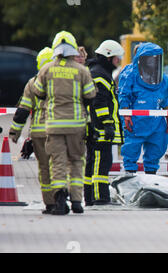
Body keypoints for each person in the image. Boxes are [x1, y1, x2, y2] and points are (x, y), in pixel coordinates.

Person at [31, 30, 97, 215]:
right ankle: (76, 201)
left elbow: (37, 92)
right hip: (76, 125)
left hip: (53, 124)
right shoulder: (81, 70)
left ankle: (60, 200)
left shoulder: (46, 69)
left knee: (57, 162)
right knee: (76, 161)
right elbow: (91, 95)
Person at [9, 47, 54, 214]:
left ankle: (50, 203)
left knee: (44, 169)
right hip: (59, 132)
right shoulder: (65, 82)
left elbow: (23, 111)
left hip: (39, 133)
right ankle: (62, 198)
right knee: (60, 166)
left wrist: (15, 133)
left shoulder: (33, 82)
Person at [118, 42, 168, 174]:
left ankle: (151, 181)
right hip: (135, 122)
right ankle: (130, 178)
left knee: (156, 149)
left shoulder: (163, 79)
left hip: (155, 122)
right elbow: (124, 96)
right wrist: (126, 115)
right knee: (131, 150)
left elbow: (165, 101)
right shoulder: (130, 74)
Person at [83, 40, 124, 206]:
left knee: (93, 162)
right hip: (99, 129)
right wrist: (107, 123)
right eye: (116, 58)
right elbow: (98, 102)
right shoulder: (100, 75)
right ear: (108, 57)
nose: (118, 61)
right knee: (101, 162)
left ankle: (90, 197)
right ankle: (100, 197)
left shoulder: (98, 72)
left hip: (96, 127)